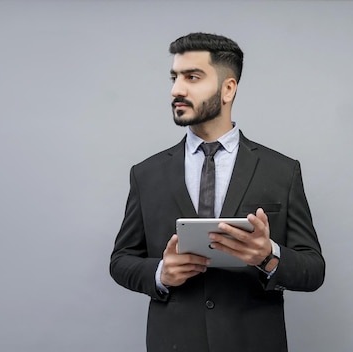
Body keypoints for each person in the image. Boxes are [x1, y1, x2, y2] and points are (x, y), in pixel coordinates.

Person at [110, 32, 325, 352]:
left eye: (192, 77)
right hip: (173, 343)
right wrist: (160, 273)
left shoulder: (281, 170)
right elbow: (121, 260)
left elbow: (314, 269)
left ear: (228, 88)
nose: (176, 89)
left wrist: (268, 256)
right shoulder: (146, 173)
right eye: (174, 77)